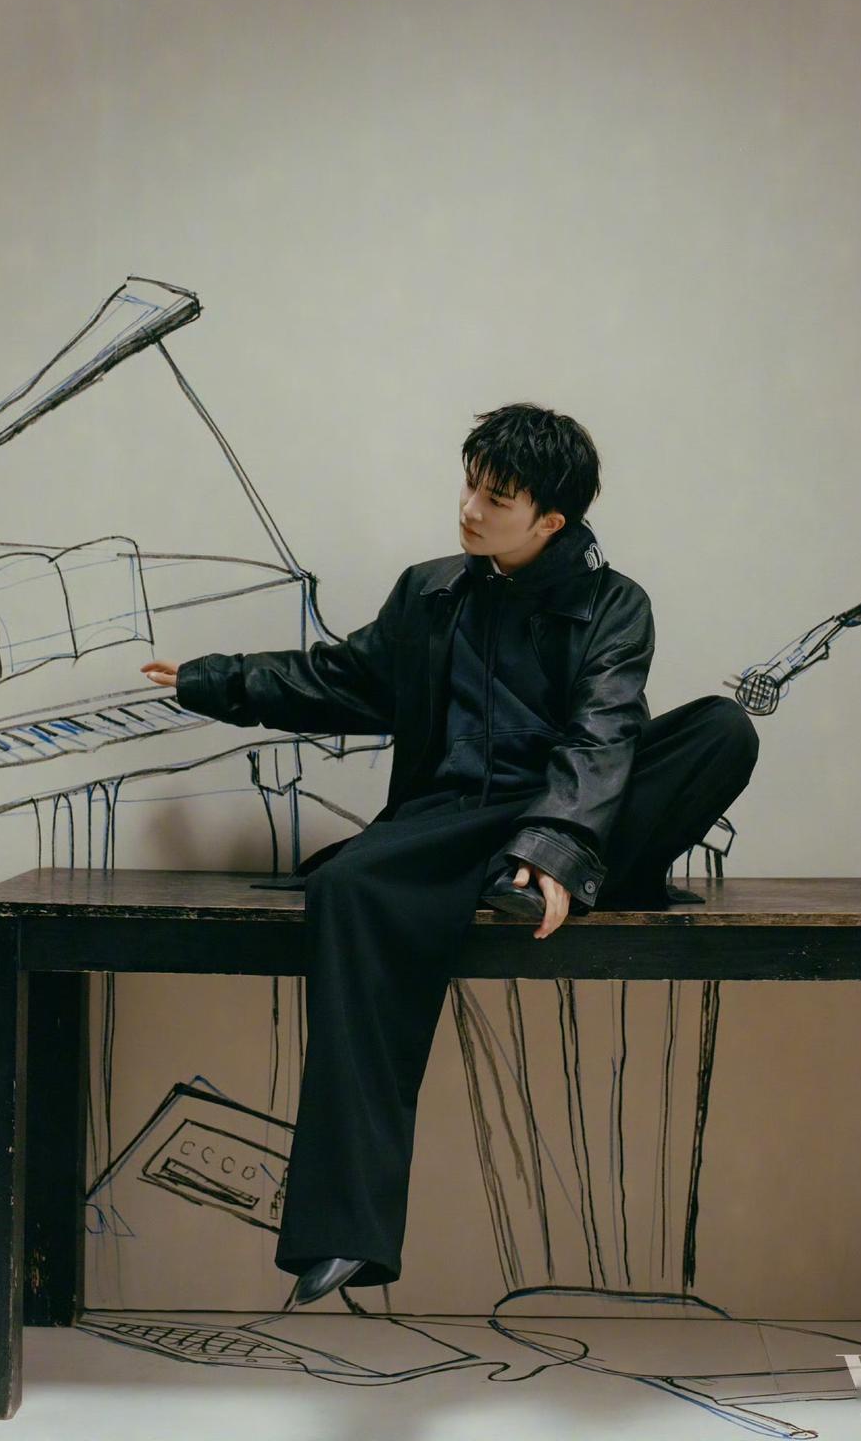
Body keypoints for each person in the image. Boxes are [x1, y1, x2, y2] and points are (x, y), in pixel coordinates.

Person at [139, 402, 760, 1310]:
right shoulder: (429, 593)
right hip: (454, 821)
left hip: (566, 809)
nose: (469, 509)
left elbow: (603, 733)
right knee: (350, 886)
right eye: (470, 486)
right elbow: (340, 680)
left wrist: (556, 843)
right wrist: (213, 680)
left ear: (551, 520)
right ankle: (345, 1230)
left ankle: (554, 873)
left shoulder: (614, 605)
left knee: (719, 729)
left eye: (496, 498)